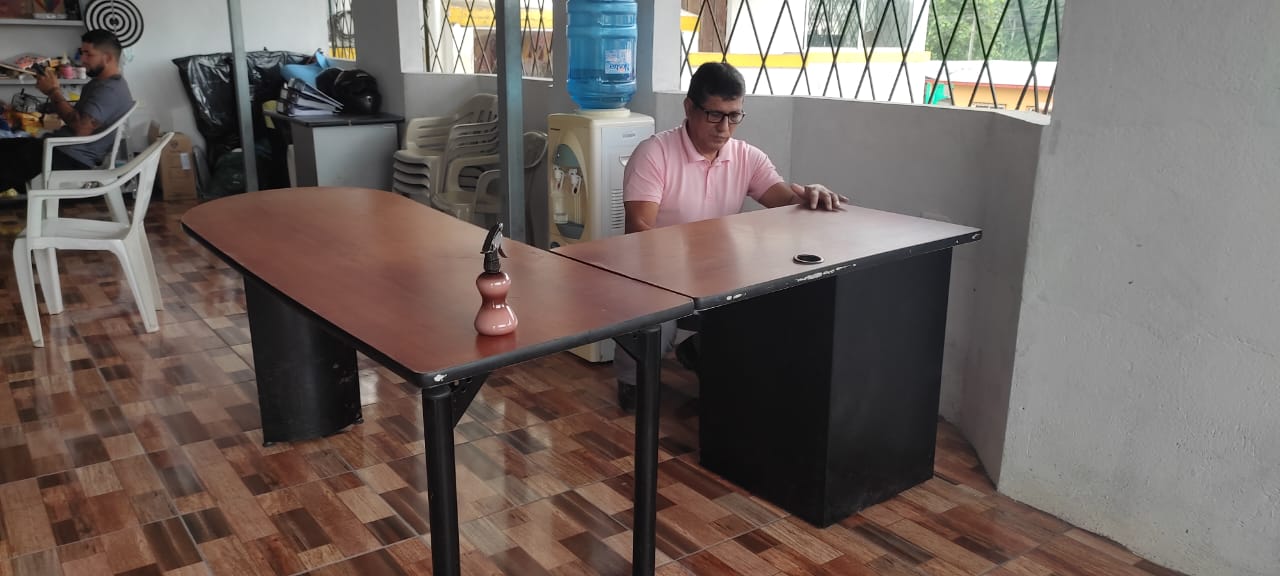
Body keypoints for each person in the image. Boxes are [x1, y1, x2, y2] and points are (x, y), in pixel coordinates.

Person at [613, 62, 848, 410]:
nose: (724, 128)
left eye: (734, 116)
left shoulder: (746, 157)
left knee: (774, 301)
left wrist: (812, 195)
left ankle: (699, 349)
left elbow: (786, 202)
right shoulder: (654, 154)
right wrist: (692, 256)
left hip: (717, 271)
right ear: (689, 108)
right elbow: (639, 231)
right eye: (714, 115)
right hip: (656, 271)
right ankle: (632, 378)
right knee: (654, 326)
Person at [0, 29, 134, 195]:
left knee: (7, 163)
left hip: (70, 157)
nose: (83, 60)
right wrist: (40, 106)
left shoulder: (109, 90)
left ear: (107, 58)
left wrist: (53, 92)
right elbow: (76, 115)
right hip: (59, 148)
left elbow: (81, 129)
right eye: (82, 53)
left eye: (88, 54)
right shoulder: (99, 84)